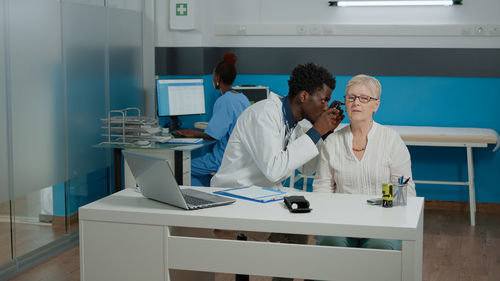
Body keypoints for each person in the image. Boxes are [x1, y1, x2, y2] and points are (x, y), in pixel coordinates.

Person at [211, 62, 343, 281]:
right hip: (236, 194)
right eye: (323, 100)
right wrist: (317, 129)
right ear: (303, 96)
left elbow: (307, 168)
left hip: (261, 193)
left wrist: (323, 134)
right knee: (293, 237)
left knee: (301, 226)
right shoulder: (264, 114)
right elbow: (274, 169)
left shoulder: (293, 123)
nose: (325, 106)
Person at [313, 74, 416, 251]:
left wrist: (384, 216)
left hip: (382, 224)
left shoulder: (392, 141)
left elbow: (405, 192)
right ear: (345, 102)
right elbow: (322, 188)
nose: (356, 102)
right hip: (340, 222)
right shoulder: (332, 141)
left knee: (380, 247)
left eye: (364, 98)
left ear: (376, 105)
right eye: (351, 97)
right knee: (331, 245)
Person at [177, 52, 251, 186]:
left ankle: (202, 196)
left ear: (218, 78)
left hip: (223, 158)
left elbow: (214, 135)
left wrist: (194, 133)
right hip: (240, 158)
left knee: (182, 168)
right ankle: (211, 190)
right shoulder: (242, 98)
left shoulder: (224, 101)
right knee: (200, 173)